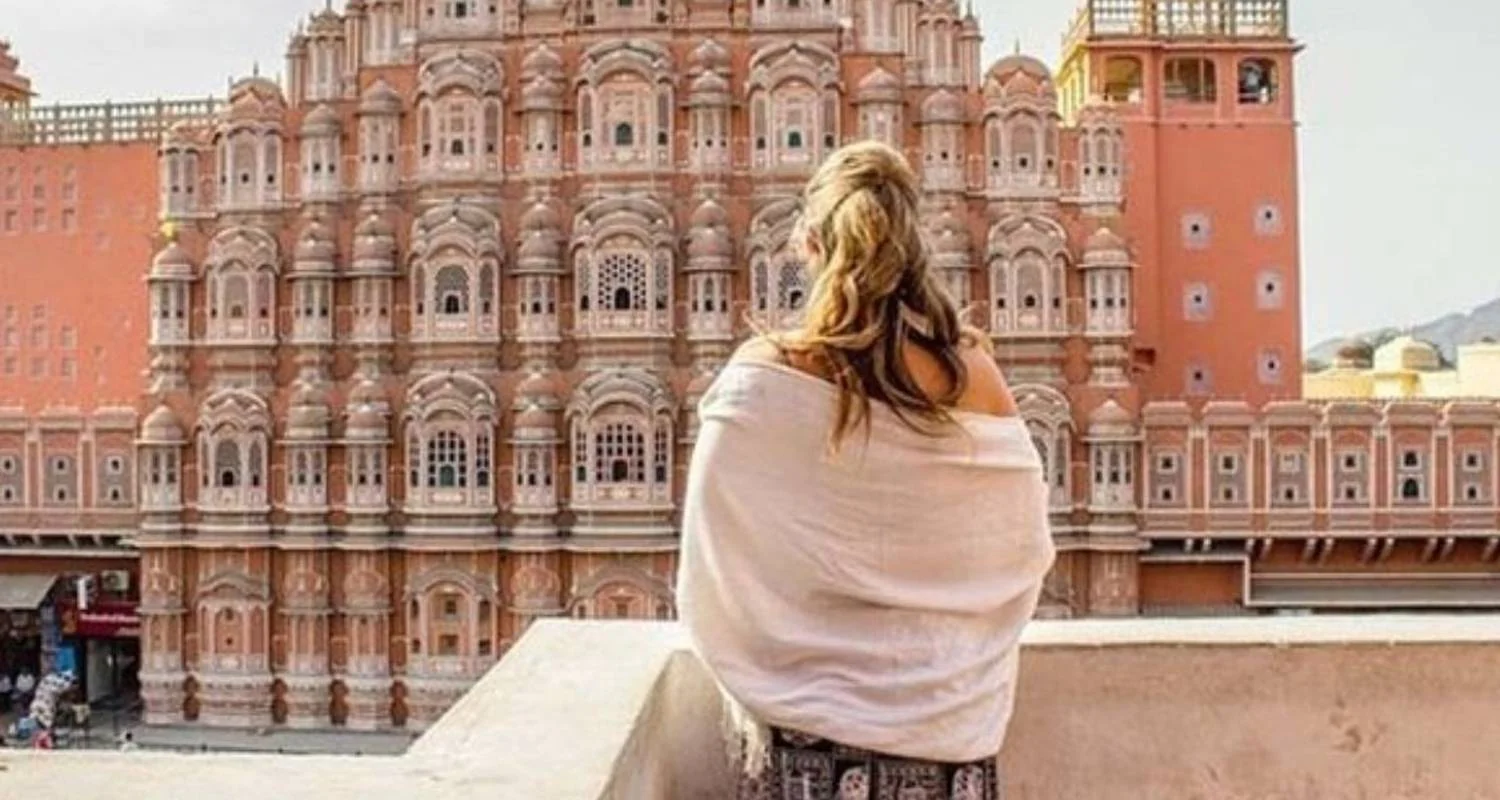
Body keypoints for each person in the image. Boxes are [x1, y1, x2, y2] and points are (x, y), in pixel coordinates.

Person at [678, 141, 1056, 800]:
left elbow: (714, 563)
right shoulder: (978, 380)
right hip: (950, 747)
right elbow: (1021, 550)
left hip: (807, 754)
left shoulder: (764, 379)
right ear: (914, 248)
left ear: (810, 245)